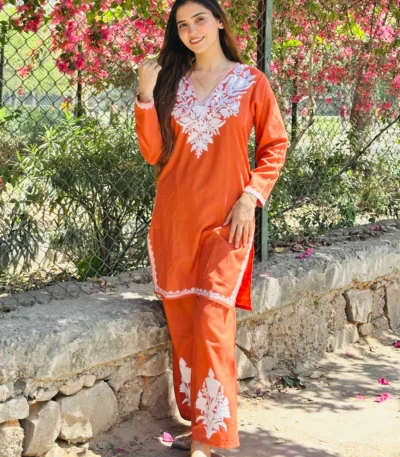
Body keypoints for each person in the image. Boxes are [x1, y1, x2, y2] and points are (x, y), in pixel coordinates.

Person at [134, 1, 288, 456]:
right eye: (182, 25)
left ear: (219, 21)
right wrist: (145, 93)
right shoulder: (170, 83)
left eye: (199, 19)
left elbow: (275, 145)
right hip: (176, 222)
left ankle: (208, 437)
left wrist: (250, 197)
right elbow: (152, 153)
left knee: (212, 321)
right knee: (184, 326)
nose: (191, 30)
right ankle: (198, 418)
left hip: (227, 224)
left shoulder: (250, 81)